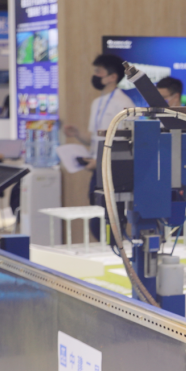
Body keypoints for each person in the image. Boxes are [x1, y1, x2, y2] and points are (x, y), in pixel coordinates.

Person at [63, 54, 135, 238]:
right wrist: (77, 134)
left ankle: (122, 250)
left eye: (99, 72)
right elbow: (94, 139)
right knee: (98, 221)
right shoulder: (97, 103)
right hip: (97, 171)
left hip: (114, 172)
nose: (95, 75)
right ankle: (115, 250)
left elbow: (128, 144)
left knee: (111, 221)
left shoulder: (124, 104)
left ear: (112, 77)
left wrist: (101, 161)